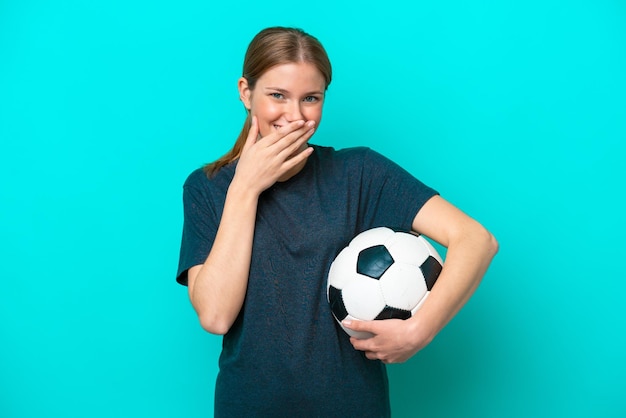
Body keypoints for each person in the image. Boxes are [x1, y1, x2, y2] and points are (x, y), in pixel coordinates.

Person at [176, 26, 498, 417]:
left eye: (310, 98)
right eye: (277, 95)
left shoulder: (358, 172)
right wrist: (245, 187)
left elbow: (475, 240)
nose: (294, 117)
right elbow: (215, 314)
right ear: (246, 92)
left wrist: (419, 330)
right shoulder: (206, 188)